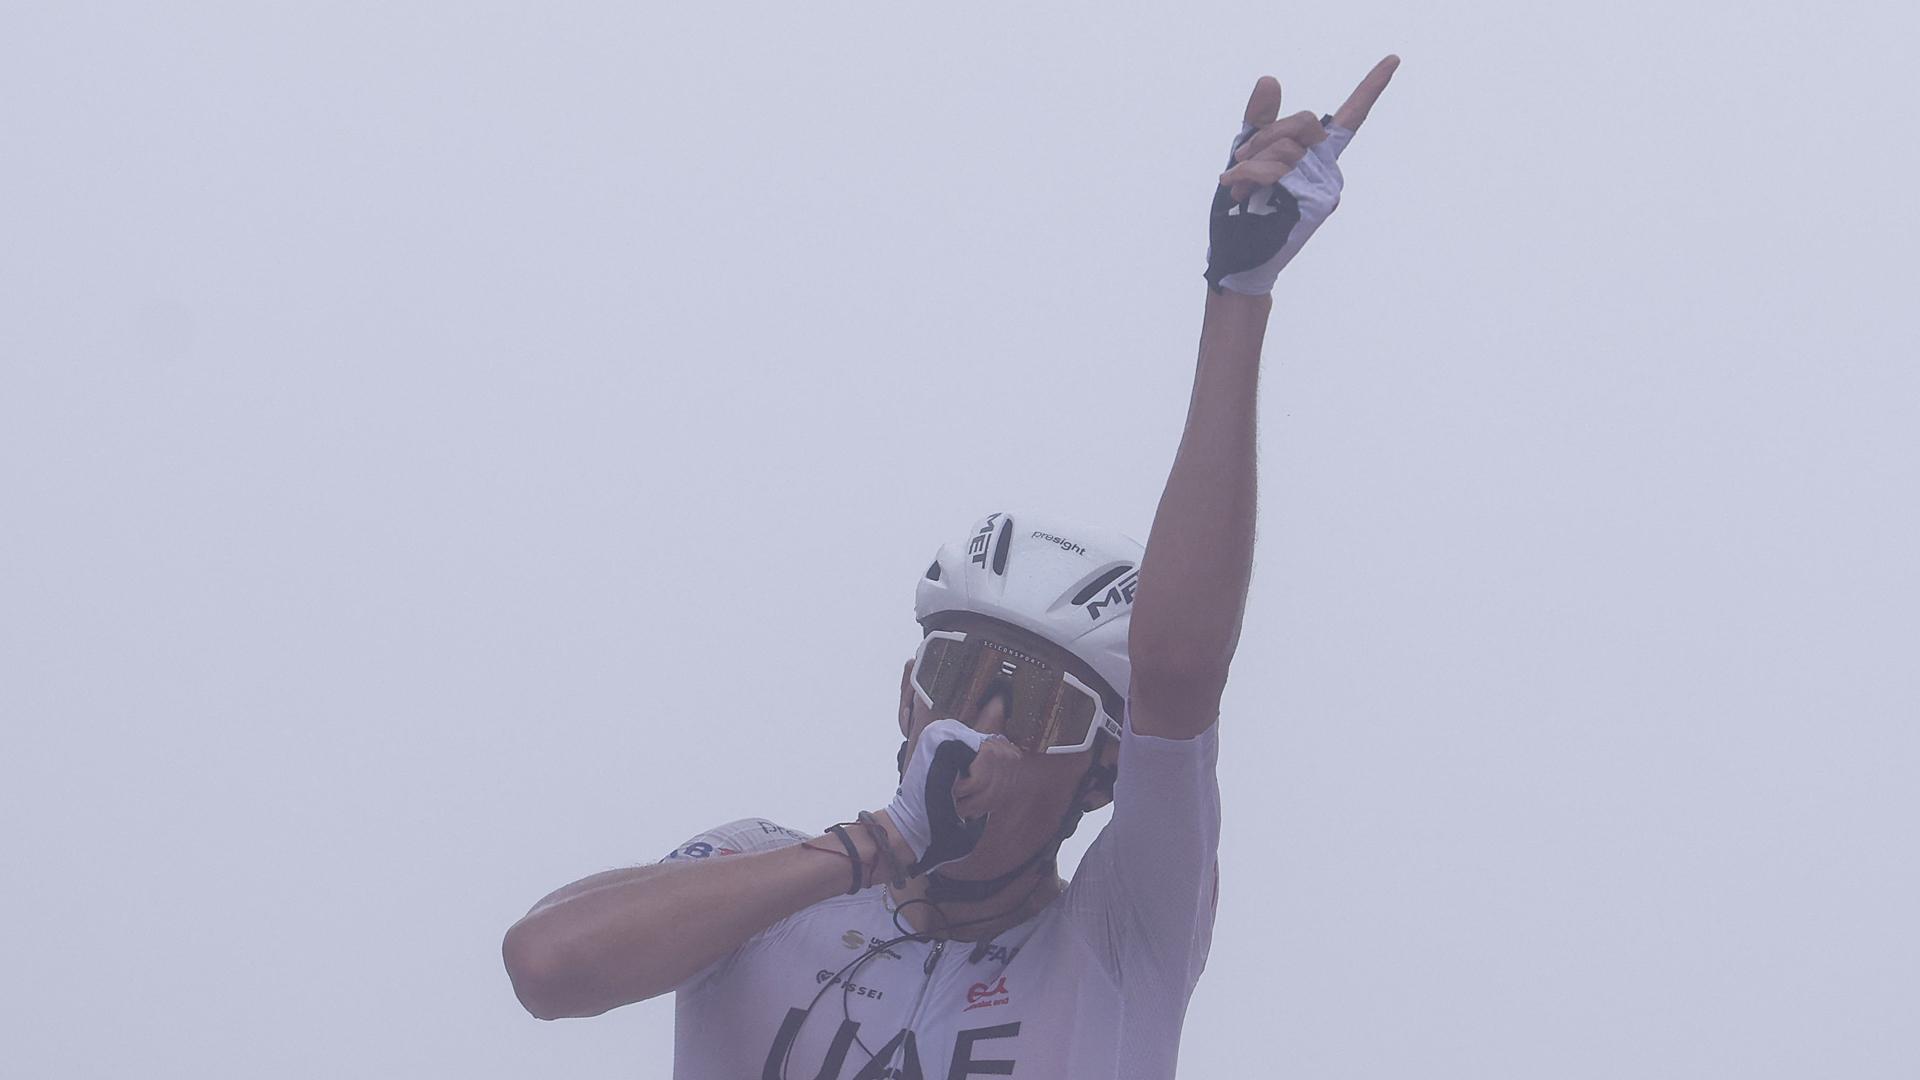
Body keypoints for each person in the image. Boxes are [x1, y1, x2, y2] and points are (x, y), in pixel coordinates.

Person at [502, 58, 1400, 1079]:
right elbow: (545, 965)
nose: (982, 726)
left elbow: (1184, 677)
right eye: (957, 680)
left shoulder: (1117, 940)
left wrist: (1238, 289)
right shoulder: (768, 871)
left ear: (1103, 776)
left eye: (1037, 706)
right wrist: (871, 847)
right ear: (904, 698)